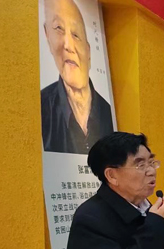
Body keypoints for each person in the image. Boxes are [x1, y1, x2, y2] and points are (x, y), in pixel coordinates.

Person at [41, 0, 114, 154]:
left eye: (76, 34)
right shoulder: (42, 107)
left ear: (88, 51)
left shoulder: (108, 112)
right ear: (47, 37)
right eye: (59, 28)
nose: (68, 45)